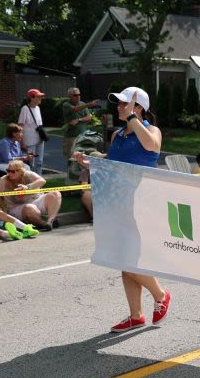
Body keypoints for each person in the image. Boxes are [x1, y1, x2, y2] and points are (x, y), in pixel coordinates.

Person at [73, 87, 170, 333]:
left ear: (139, 108)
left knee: (129, 257)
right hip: (117, 202)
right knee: (122, 257)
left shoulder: (151, 130)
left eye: (124, 103)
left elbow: (152, 146)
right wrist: (92, 161)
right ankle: (136, 315)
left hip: (141, 203)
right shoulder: (118, 135)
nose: (118, 106)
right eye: (118, 103)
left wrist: (132, 119)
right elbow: (114, 161)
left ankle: (160, 295)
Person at [0, 159, 62, 229]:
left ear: (20, 171)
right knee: (29, 207)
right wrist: (4, 208)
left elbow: (42, 181)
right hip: (16, 207)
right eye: (8, 171)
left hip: (35, 200)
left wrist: (27, 187)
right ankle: (43, 224)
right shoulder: (3, 180)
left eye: (13, 171)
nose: (10, 173)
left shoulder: (28, 174)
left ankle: (50, 221)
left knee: (55, 194)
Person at [62, 87, 99, 160]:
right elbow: (74, 109)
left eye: (79, 94)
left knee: (82, 157)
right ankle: (71, 171)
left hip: (82, 136)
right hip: (71, 136)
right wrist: (89, 104)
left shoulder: (82, 104)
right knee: (72, 158)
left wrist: (79, 120)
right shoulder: (66, 104)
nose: (78, 96)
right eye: (75, 95)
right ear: (70, 96)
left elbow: (89, 117)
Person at [18, 89, 46, 174]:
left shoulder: (38, 108)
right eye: (39, 97)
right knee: (31, 163)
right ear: (32, 98)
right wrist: (22, 142)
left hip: (39, 140)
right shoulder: (25, 109)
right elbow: (20, 126)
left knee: (39, 162)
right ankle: (31, 181)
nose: (41, 98)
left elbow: (39, 125)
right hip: (29, 142)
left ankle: (39, 182)